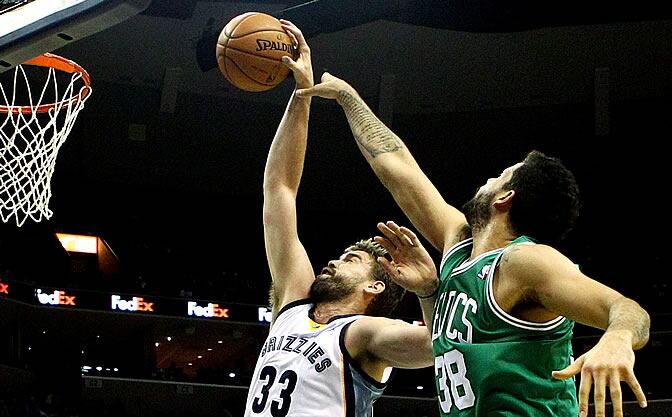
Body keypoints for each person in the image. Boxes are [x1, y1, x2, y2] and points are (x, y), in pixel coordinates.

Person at [296, 74, 651, 417]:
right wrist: (347, 97)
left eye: (500, 176)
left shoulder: (525, 262)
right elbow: (395, 165)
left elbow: (627, 309)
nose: (488, 178)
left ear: (505, 198)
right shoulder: (457, 244)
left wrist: (618, 339)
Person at [243, 21, 435, 417]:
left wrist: (428, 292)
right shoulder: (293, 306)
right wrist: (302, 94)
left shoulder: (363, 335)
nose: (332, 260)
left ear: (376, 286)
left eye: (351, 260)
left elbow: (438, 347)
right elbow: (279, 189)